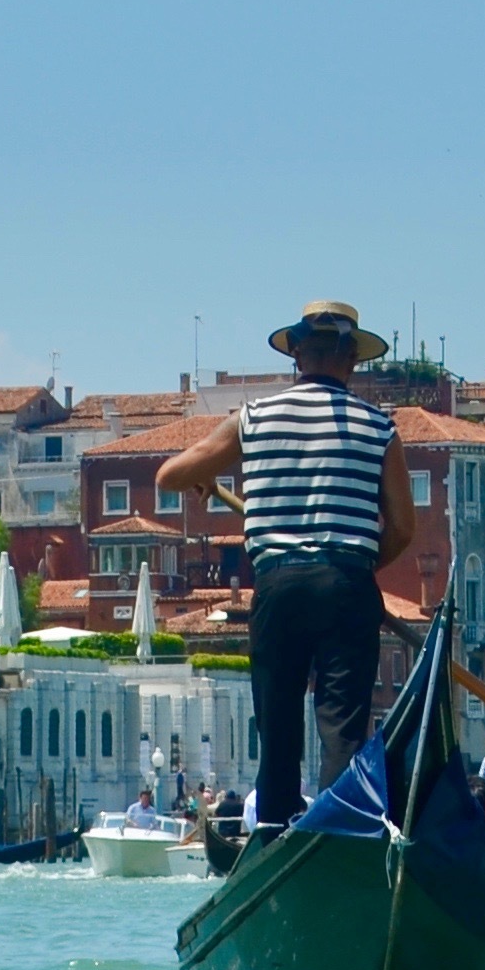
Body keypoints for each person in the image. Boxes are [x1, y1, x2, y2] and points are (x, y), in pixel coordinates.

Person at [157, 302, 415, 826]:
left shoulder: (253, 418)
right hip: (347, 584)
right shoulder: (379, 429)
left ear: (295, 353)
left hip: (277, 586)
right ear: (352, 359)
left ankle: (275, 829)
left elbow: (169, 476)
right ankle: (338, 831)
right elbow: (404, 528)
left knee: (277, 729)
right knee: (342, 730)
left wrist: (205, 478)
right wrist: (356, 568)